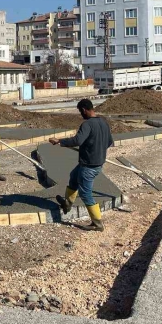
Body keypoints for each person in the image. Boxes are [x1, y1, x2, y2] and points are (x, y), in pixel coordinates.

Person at [48, 99, 113, 232]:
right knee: (73, 177)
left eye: (80, 111)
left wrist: (59, 141)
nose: (80, 114)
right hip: (95, 163)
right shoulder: (103, 123)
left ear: (84, 109)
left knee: (85, 193)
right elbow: (109, 142)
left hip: (89, 166)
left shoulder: (87, 124)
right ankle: (67, 204)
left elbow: (77, 140)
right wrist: (96, 149)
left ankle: (97, 223)